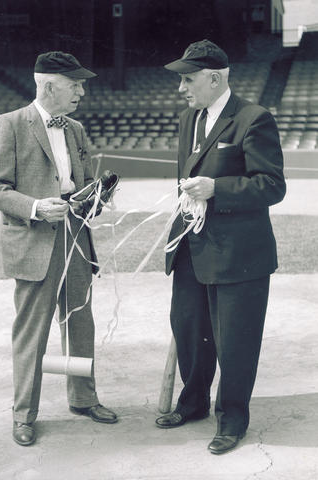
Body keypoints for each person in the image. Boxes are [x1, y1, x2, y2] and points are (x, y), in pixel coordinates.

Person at [155, 39, 286, 455]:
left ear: (214, 78)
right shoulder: (187, 119)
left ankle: (231, 420)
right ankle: (192, 404)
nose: (182, 88)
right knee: (189, 330)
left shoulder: (254, 118)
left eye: (188, 79)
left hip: (238, 255)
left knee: (234, 341)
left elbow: (272, 185)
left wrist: (217, 188)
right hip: (191, 248)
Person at [0, 51, 118, 447]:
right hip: (34, 241)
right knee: (33, 332)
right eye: (75, 84)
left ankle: (83, 398)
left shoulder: (75, 128)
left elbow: (80, 183)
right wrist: (36, 207)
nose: (82, 90)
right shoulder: (9, 125)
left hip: (76, 238)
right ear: (48, 87)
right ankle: (24, 414)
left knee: (79, 321)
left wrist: (97, 193)